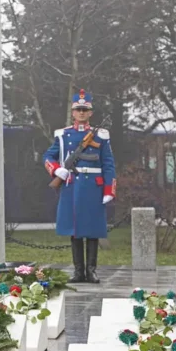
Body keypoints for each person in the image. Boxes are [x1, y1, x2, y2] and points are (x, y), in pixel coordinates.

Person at [42, 89, 116, 283]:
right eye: (78, 109)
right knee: (75, 230)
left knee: (92, 229)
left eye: (85, 109)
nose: (81, 113)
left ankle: (91, 271)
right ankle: (78, 272)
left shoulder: (101, 135)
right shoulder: (63, 135)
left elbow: (108, 164)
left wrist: (109, 189)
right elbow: (48, 156)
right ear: (73, 112)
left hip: (93, 187)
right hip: (72, 186)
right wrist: (57, 170)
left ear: (90, 112)